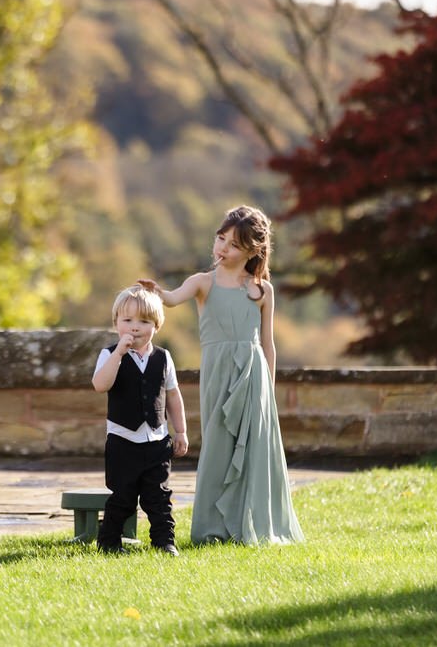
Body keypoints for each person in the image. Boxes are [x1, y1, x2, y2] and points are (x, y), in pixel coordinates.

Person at [138, 205, 304, 545]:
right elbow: (171, 299)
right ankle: (212, 529)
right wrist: (157, 291)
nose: (222, 248)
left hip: (253, 376)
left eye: (232, 244)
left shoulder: (261, 290)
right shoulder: (202, 282)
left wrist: (268, 393)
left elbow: (268, 345)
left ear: (253, 251)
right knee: (218, 446)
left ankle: (251, 525)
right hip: (218, 372)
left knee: (254, 451)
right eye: (220, 238)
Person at [92, 285, 188, 556]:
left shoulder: (163, 358)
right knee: (122, 496)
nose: (135, 328)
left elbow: (173, 396)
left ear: (156, 326)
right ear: (116, 324)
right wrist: (118, 355)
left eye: (144, 321)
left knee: (159, 496)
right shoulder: (109, 355)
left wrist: (180, 431)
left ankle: (164, 541)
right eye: (127, 321)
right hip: (123, 439)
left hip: (157, 440)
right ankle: (109, 542)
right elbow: (100, 384)